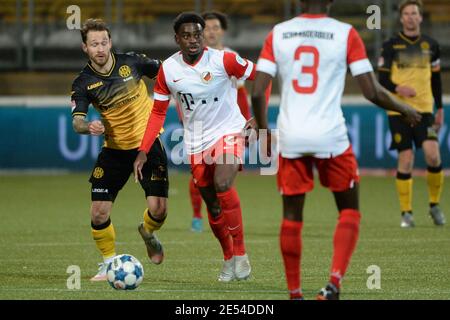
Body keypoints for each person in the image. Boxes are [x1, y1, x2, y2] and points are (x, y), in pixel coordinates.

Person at [251, 0, 421, 300]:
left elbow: (257, 92)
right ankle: (333, 284)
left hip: (292, 136)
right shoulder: (345, 33)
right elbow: (371, 91)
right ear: (330, 1)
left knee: (291, 217)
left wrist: (265, 133)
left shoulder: (278, 32)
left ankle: (294, 293)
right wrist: (403, 107)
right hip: (330, 136)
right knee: (349, 210)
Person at [134, 12, 256, 282]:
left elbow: (261, 76)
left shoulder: (223, 59)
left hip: (228, 131)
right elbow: (157, 113)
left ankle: (241, 253)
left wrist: (257, 117)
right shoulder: (168, 69)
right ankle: (227, 259)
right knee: (212, 206)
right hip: (196, 140)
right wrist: (143, 149)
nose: (193, 40)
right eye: (186, 36)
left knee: (224, 184)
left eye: (197, 35)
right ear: (177, 39)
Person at [71, 18, 168, 281]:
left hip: (147, 144)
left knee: (159, 210)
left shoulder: (132, 63)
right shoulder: (83, 82)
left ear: (110, 42)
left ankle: (147, 231)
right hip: (114, 149)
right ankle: (108, 263)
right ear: (85, 48)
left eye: (103, 42)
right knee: (98, 211)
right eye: (94, 44)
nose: (100, 48)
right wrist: (86, 126)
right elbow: (77, 121)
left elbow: (167, 73)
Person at [378, 0, 445, 228]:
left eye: (414, 13)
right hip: (398, 109)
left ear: (420, 17)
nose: (410, 17)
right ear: (401, 18)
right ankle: (406, 212)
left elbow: (436, 80)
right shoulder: (391, 46)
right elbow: (382, 79)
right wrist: (398, 89)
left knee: (433, 155)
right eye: (406, 13)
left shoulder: (431, 45)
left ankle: (434, 205)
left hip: (424, 108)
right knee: (406, 158)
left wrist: (441, 108)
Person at [186, 11, 254, 233]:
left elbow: (242, 93)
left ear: (222, 31)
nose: (211, 32)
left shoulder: (230, 57)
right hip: (199, 126)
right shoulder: (189, 58)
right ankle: (198, 215)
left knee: (222, 177)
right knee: (199, 176)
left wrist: (247, 122)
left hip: (226, 126)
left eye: (216, 27)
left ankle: (225, 219)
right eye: (207, 28)